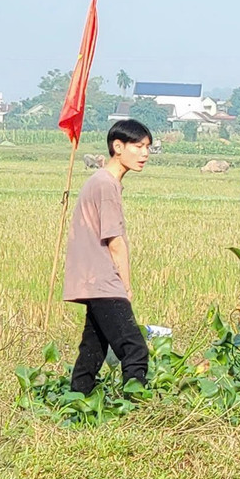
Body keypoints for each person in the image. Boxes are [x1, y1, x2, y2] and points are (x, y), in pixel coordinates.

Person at [63, 119, 154, 395]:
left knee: (93, 347)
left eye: (148, 147)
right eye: (138, 146)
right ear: (118, 147)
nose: (145, 154)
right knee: (134, 349)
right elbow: (115, 242)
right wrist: (125, 285)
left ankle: (76, 401)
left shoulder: (102, 181)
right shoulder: (106, 185)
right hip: (103, 279)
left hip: (91, 278)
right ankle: (135, 410)